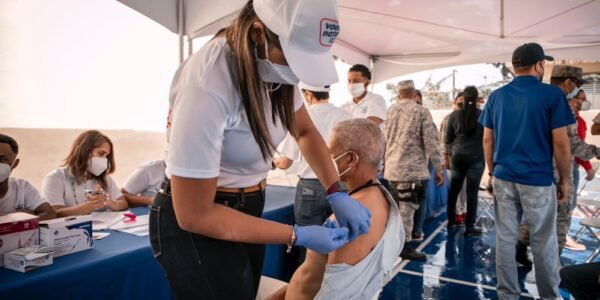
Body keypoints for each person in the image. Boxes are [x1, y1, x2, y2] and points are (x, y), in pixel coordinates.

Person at [151, 1, 371, 299]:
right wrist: (298, 234)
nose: (296, 72)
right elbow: (194, 214)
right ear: (257, 33)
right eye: (293, 58)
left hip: (249, 202)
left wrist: (336, 190)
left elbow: (305, 131)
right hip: (201, 219)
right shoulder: (207, 84)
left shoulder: (274, 70)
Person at [269, 119, 403, 300]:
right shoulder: (376, 196)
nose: (326, 159)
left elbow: (336, 294)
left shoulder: (352, 218)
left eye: (331, 153)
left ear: (350, 159)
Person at [479, 43, 573, 300]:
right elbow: (561, 143)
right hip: (538, 181)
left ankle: (507, 295)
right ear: (539, 65)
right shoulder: (552, 95)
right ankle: (549, 296)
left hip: (504, 177)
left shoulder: (497, 97)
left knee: (506, 240)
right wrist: (564, 180)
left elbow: (488, 139)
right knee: (543, 242)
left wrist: (492, 172)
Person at [516, 65, 600, 263]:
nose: (579, 91)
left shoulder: (536, 101)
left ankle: (519, 247)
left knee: (535, 213)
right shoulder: (560, 105)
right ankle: (552, 266)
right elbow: (572, 144)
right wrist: (596, 153)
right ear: (568, 83)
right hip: (558, 173)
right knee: (561, 219)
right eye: (578, 85)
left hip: (535, 171)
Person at [274, 83, 351, 264]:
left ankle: (307, 287)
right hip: (340, 187)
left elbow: (285, 162)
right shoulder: (346, 117)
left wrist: (273, 162)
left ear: (308, 95)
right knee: (341, 240)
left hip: (309, 189)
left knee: (308, 245)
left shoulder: (302, 119)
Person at [384, 80, 444, 261]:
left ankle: (393, 243)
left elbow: (385, 139)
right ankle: (405, 247)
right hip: (411, 171)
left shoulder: (391, 111)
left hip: (392, 169)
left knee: (395, 209)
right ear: (414, 94)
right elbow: (431, 142)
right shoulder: (421, 111)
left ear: (398, 94)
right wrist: (439, 169)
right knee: (407, 210)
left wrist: (383, 163)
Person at [42, 130, 127, 217]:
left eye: (107, 156)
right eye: (101, 154)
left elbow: (123, 203)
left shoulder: (104, 178)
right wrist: (90, 206)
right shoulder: (55, 178)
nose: (105, 160)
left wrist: (107, 201)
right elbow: (55, 213)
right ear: (84, 151)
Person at [445, 86, 484, 237]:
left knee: (454, 191)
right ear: (476, 99)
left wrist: (448, 156)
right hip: (476, 158)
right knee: (472, 193)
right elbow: (487, 138)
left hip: (458, 157)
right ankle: (470, 227)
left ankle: (451, 220)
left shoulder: (453, 116)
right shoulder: (482, 114)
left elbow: (448, 139)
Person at [0, 134, 55, 220]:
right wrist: (20, 215)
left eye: (2, 159)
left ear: (15, 164)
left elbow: (50, 214)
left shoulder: (22, 187)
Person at [566, 89, 594, 251]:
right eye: (581, 99)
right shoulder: (568, 120)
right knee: (568, 205)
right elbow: (576, 147)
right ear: (572, 99)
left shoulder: (579, 120)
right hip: (568, 166)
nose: (583, 102)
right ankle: (563, 237)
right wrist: (588, 167)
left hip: (572, 165)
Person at [440, 92, 467, 225]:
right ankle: (456, 213)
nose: (462, 101)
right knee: (455, 187)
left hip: (467, 159)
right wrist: (445, 158)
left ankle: (463, 210)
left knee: (465, 187)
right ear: (455, 101)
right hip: (452, 159)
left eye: (465, 99)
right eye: (460, 99)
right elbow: (444, 140)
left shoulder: (471, 118)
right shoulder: (448, 118)